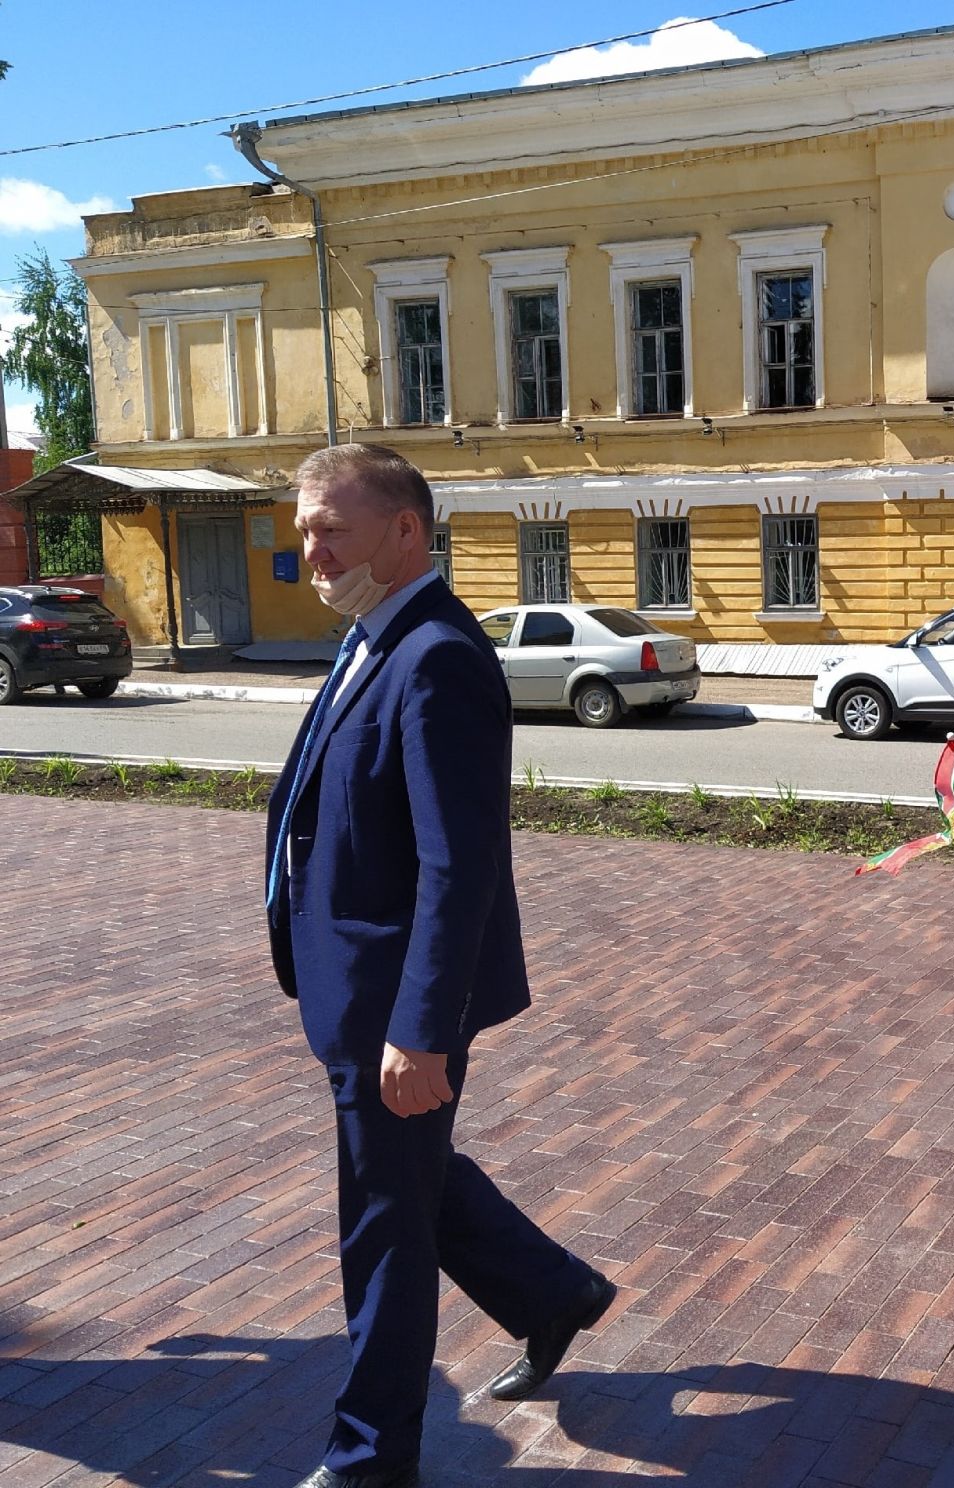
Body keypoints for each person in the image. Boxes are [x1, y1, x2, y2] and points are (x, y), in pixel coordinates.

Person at [265, 444, 614, 1488]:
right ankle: (552, 1293)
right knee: (410, 1182)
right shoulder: (374, 636)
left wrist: (421, 1027)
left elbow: (458, 866)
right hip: (353, 987)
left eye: (332, 526)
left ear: (404, 531)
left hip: (394, 1004)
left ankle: (372, 1456)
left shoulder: (436, 657)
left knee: (383, 1227)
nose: (312, 550)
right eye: (304, 530)